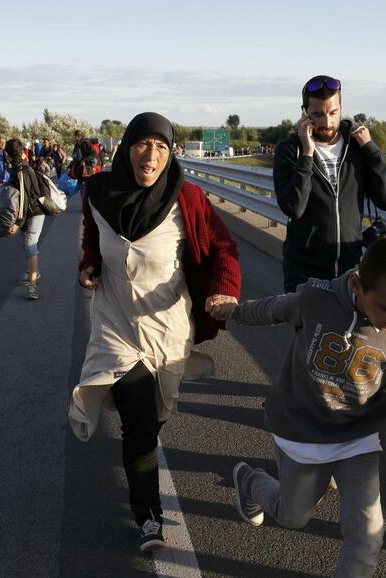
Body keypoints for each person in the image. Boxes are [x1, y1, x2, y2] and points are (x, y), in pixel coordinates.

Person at [212, 236, 386, 578]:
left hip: (357, 437)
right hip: (300, 428)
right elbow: (273, 308)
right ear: (357, 285)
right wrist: (234, 309)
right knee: (292, 516)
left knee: (368, 536)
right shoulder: (316, 299)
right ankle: (249, 480)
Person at [70, 112, 242, 552]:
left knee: (158, 413)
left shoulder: (188, 198)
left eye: (162, 147)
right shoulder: (97, 193)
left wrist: (223, 289)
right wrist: (88, 267)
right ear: (127, 148)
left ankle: (146, 474)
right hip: (115, 323)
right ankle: (148, 515)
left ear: (171, 153)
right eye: (143, 144)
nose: (151, 155)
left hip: (167, 327)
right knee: (139, 425)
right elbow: (92, 240)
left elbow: (223, 247)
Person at [273, 75, 386, 293]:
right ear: (305, 113)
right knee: (313, 329)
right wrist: (307, 154)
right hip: (305, 274)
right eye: (318, 115)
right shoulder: (289, 150)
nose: (327, 122)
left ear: (341, 107)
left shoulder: (358, 146)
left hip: (351, 272)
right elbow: (293, 207)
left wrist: (372, 151)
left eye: (333, 113)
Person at [0, 138, 48, 300]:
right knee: (26, 244)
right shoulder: (20, 166)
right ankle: (31, 272)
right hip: (28, 211)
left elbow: (23, 199)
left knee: (30, 245)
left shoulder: (20, 170)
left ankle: (33, 285)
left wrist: (18, 223)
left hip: (34, 211)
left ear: (8, 154)